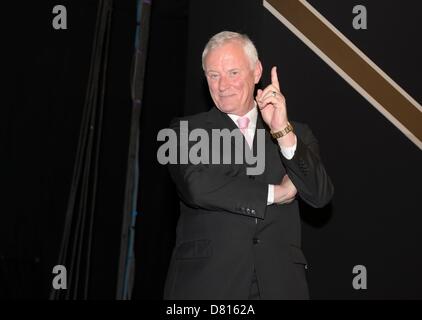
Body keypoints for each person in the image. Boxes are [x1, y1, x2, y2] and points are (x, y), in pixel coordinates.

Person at [163, 31, 334, 300]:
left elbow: (320, 194)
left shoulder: (297, 133)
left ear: (256, 72)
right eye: (213, 75)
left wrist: (282, 131)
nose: (222, 85)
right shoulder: (184, 130)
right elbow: (198, 187)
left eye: (233, 72)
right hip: (208, 287)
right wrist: (276, 193)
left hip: (281, 286)